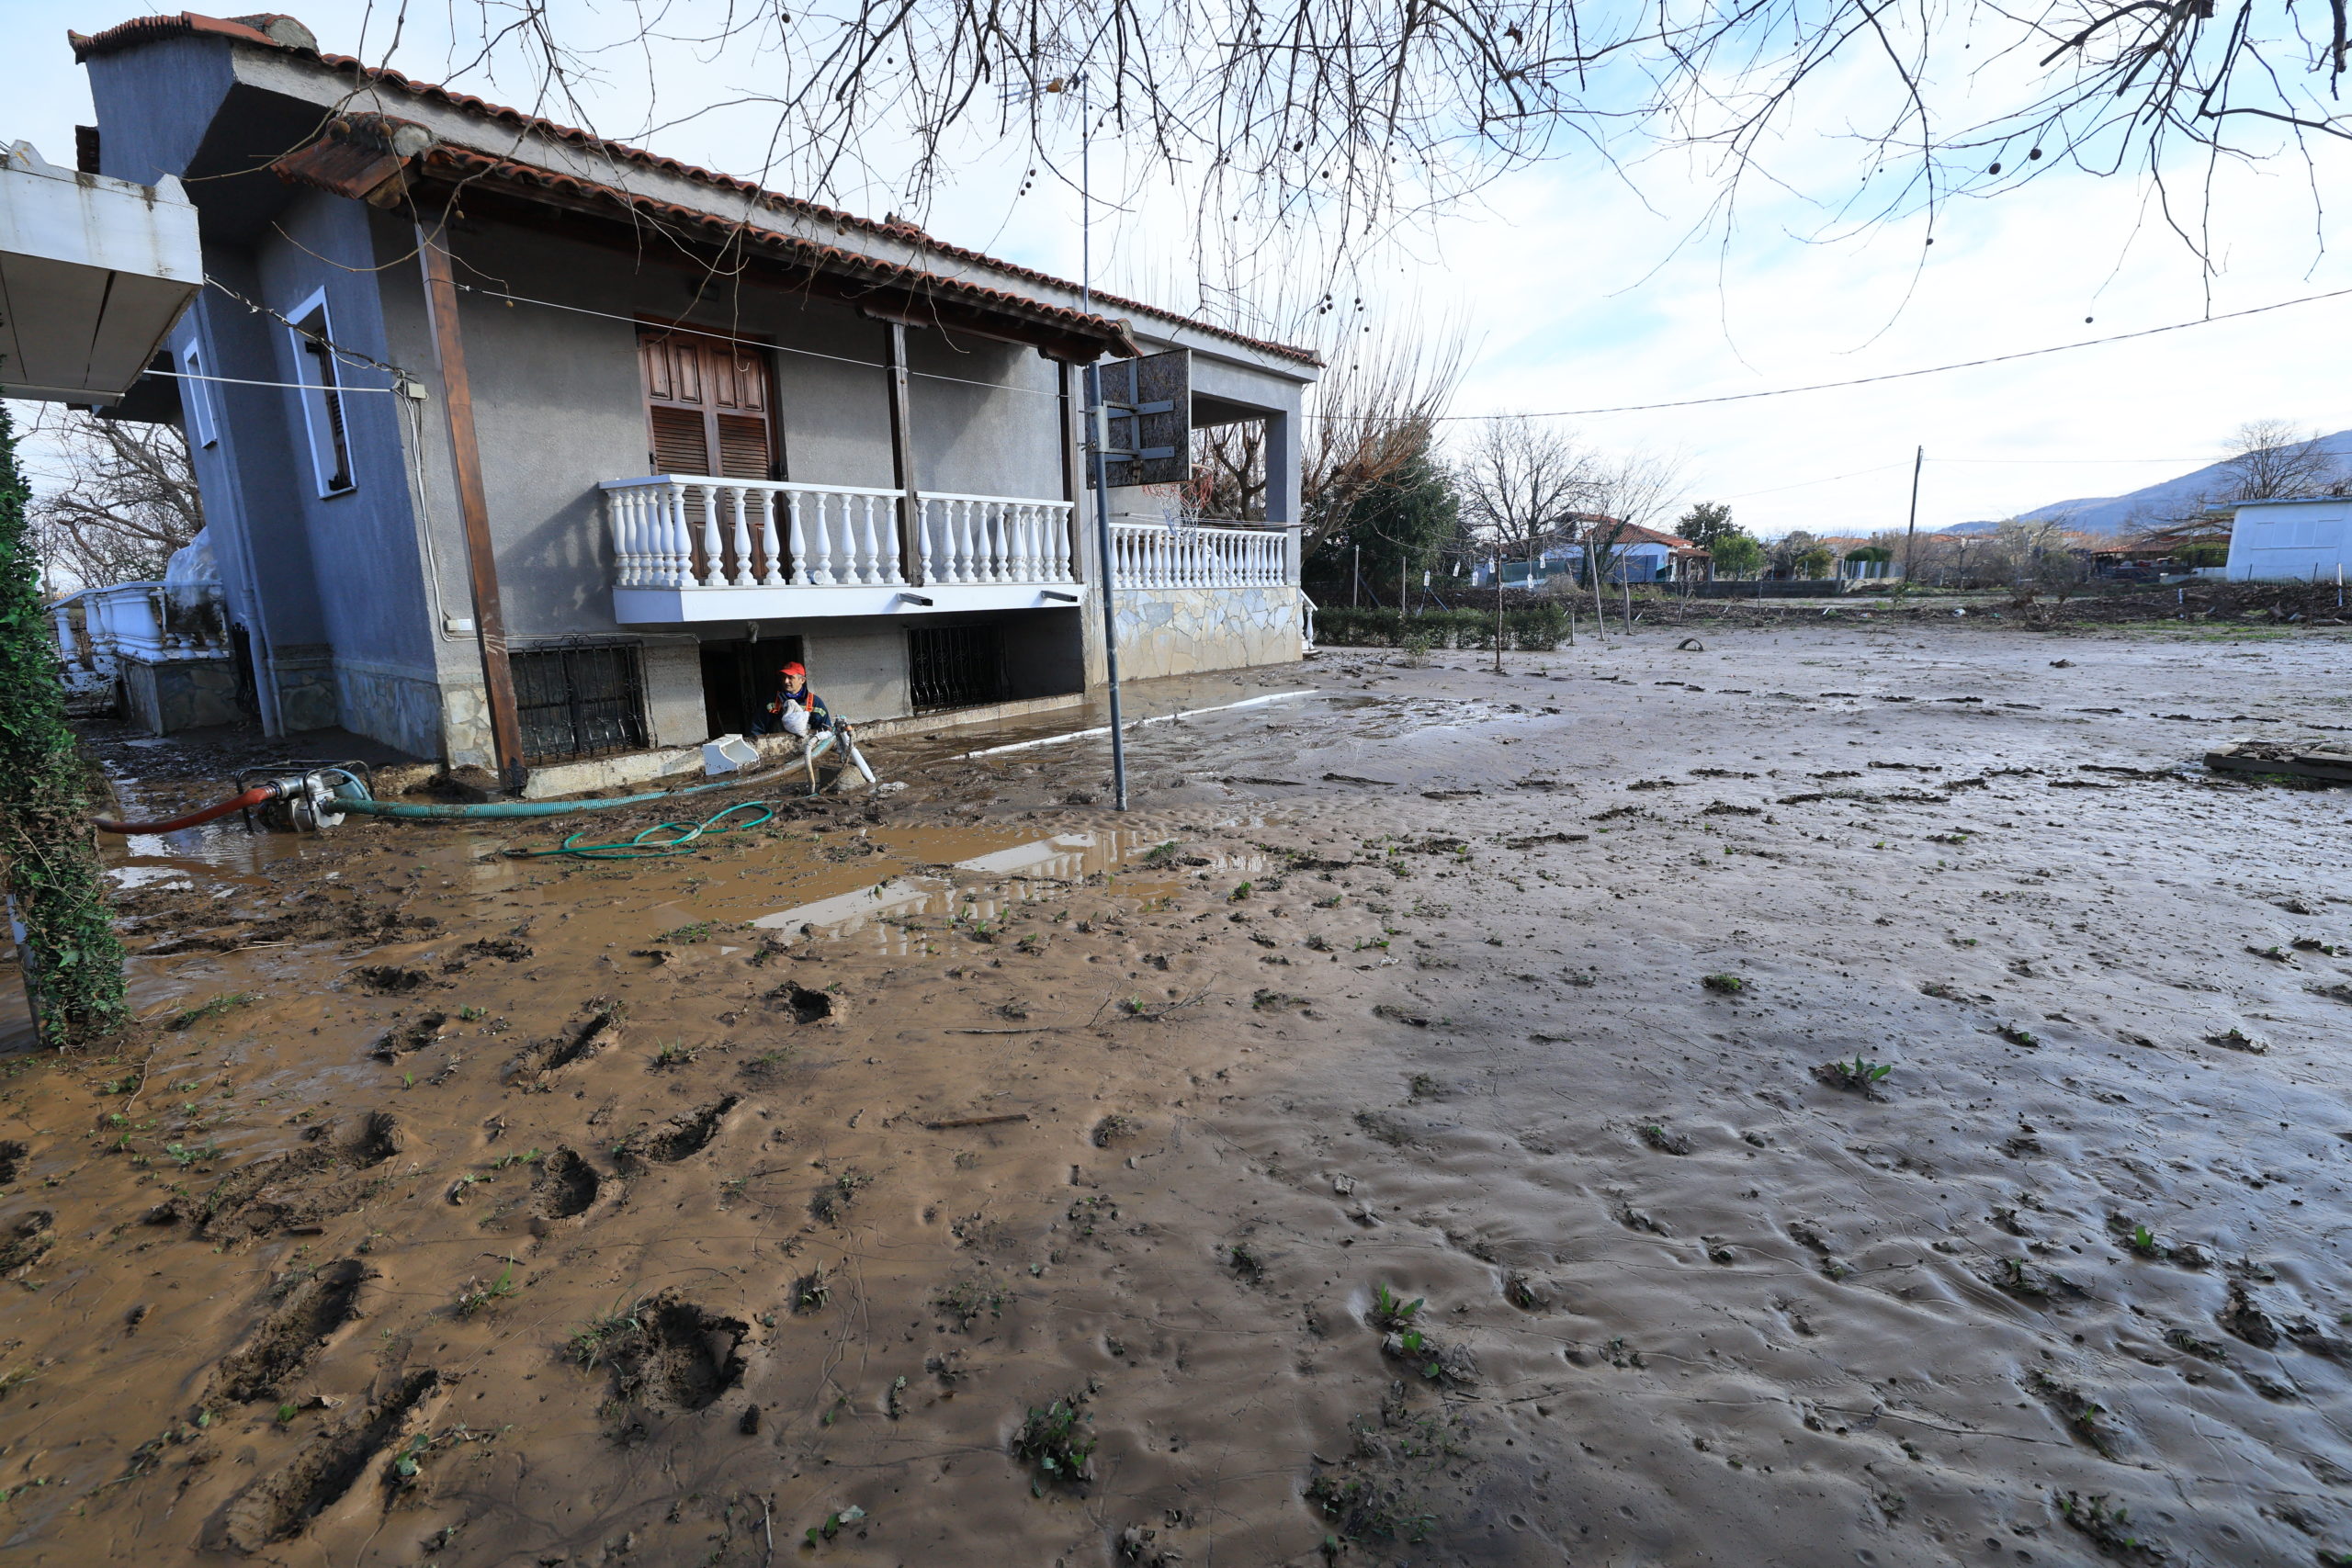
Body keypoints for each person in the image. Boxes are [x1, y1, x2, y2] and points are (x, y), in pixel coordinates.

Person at [755, 660, 832, 739]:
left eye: (790, 677)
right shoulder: (771, 702)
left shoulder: (815, 703)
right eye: (784, 677)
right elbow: (757, 730)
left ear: (802, 680)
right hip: (776, 745)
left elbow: (826, 732)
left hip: (807, 745)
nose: (786, 681)